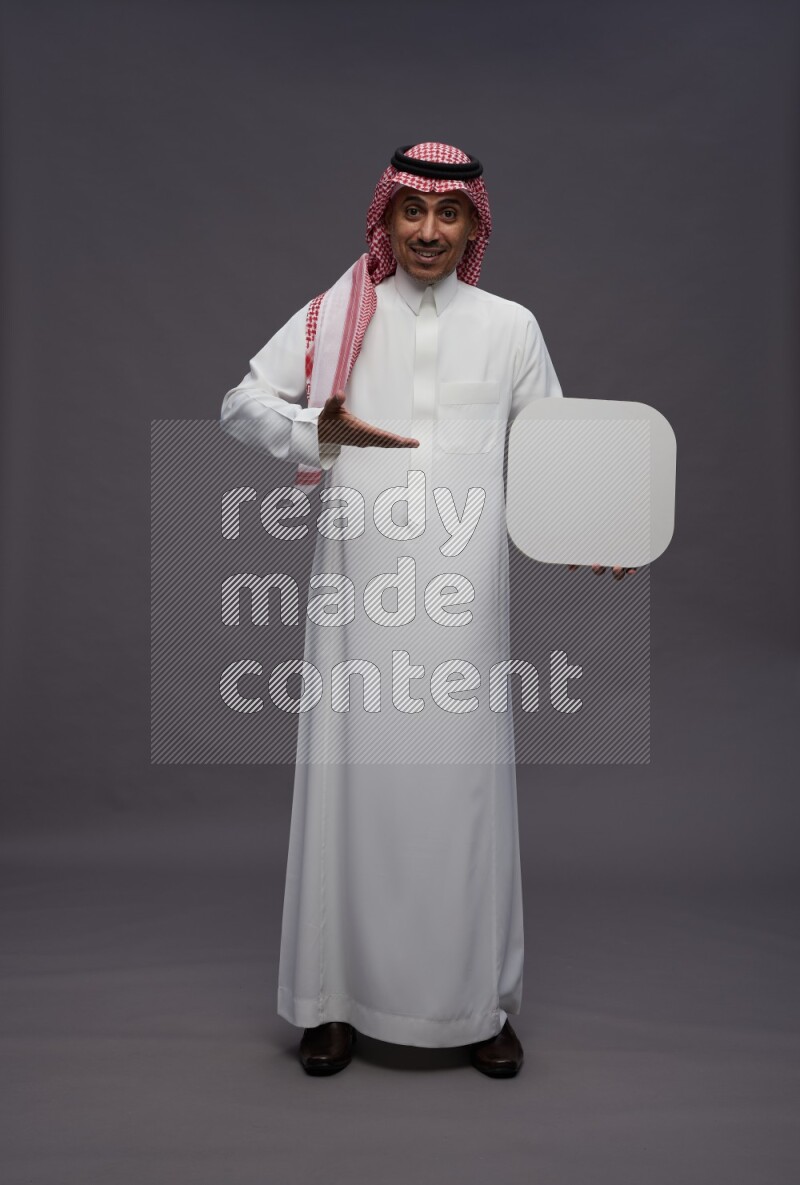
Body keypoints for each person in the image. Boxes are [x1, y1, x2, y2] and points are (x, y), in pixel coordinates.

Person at [220, 142, 634, 1079]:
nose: (430, 232)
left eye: (450, 216)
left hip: (463, 605)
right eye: (413, 213)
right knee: (348, 785)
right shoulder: (338, 316)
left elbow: (552, 449)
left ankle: (476, 1006)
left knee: (464, 797)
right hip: (357, 595)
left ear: (476, 225)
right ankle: (330, 1004)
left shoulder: (512, 327)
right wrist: (312, 429)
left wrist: (600, 528)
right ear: (387, 219)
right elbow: (239, 404)